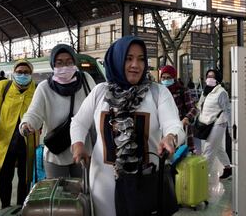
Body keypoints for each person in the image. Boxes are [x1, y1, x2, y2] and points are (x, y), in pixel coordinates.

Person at [71, 36, 185, 216]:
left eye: (141, 59)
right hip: (103, 183)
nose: (135, 65)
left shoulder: (157, 93)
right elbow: (78, 122)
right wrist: (78, 144)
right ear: (117, 59)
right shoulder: (100, 92)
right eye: (128, 58)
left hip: (145, 184)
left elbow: (173, 124)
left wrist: (170, 136)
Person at [19, 44, 96, 179]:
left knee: (83, 194)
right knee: (60, 196)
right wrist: (27, 124)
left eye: (69, 62)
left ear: (74, 62)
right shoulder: (45, 88)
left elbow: (97, 106)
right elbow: (34, 113)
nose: (64, 67)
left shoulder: (86, 81)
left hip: (84, 150)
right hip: (56, 154)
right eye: (59, 63)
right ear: (53, 65)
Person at [0, 60, 36, 209]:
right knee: (5, 176)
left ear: (31, 74)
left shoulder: (36, 90)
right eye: (20, 72)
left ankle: (21, 207)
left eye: (26, 72)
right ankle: (5, 206)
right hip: (6, 141)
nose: (23, 75)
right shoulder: (3, 86)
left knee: (25, 178)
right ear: (14, 73)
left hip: (28, 141)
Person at [196, 69, 232, 179]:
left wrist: (230, 128)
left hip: (218, 123)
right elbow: (200, 105)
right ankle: (227, 168)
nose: (209, 79)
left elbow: (227, 110)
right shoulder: (205, 91)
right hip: (206, 122)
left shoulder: (221, 92)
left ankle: (201, 178)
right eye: (208, 76)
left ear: (218, 79)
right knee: (218, 147)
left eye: (212, 76)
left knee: (209, 149)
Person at [160, 65, 198, 151]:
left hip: (181, 129)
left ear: (174, 78)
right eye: (163, 78)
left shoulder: (182, 91)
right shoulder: (159, 92)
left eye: (168, 77)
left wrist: (186, 118)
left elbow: (193, 108)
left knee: (182, 157)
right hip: (163, 131)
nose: (165, 80)